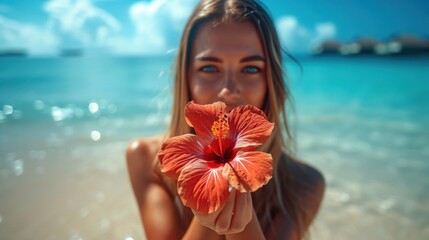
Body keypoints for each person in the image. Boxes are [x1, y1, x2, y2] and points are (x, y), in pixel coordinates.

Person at [126, 0, 325, 239]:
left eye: (251, 69)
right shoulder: (149, 159)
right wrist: (210, 201)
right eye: (209, 68)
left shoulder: (304, 184)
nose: (229, 91)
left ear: (270, 82)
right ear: (186, 77)